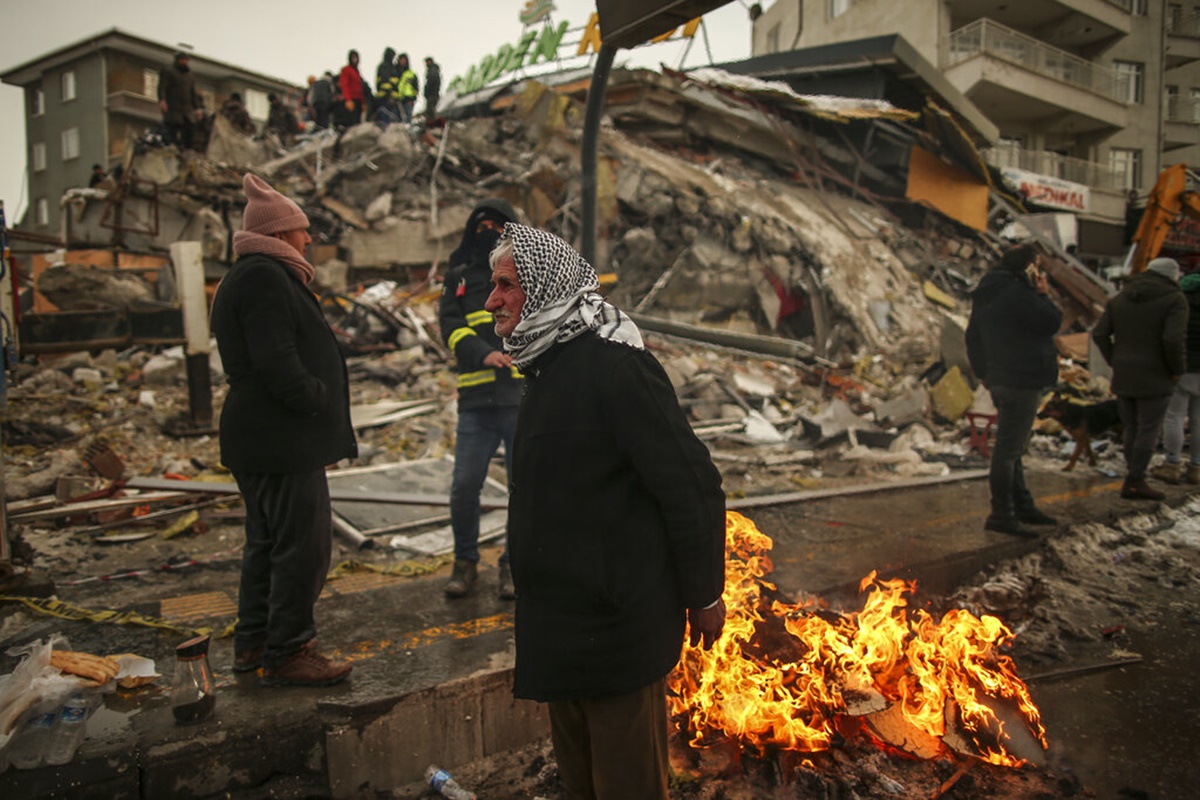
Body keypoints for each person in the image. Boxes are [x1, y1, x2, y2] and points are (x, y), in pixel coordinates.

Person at [486, 223, 726, 799]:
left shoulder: (619, 368)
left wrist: (704, 594)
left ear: (544, 290)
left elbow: (691, 485)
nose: (491, 300)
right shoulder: (543, 369)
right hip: (559, 635)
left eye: (505, 285)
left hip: (617, 634)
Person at [209, 173, 357, 687]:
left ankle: (254, 644)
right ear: (277, 235)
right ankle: (289, 650)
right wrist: (318, 401)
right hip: (279, 441)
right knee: (302, 548)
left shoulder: (255, 275)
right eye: (301, 230)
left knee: (268, 545)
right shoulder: (264, 276)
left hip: (267, 439)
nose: (309, 238)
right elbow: (276, 361)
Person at [438, 199, 521, 600]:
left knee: (523, 489)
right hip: (476, 400)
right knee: (465, 486)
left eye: (498, 225)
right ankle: (465, 562)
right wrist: (481, 353)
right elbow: (449, 326)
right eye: (482, 224)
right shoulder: (458, 276)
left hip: (520, 399)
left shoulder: (524, 274)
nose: (489, 229)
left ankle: (512, 567)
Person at [965, 243, 1062, 538]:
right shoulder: (1021, 294)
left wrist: (984, 373)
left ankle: (1022, 505)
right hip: (1022, 378)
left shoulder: (987, 292)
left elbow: (972, 336)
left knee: (1013, 446)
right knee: (1008, 450)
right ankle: (1002, 514)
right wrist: (1043, 293)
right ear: (1029, 267)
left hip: (1000, 378)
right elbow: (1051, 321)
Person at [1092, 257, 1188, 500]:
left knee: (1132, 427)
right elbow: (1173, 340)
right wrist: (1177, 368)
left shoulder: (1121, 298)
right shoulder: (1174, 299)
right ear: (1172, 276)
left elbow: (1100, 334)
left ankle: (1133, 476)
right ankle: (1135, 480)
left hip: (1124, 373)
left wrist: (1115, 359)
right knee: (1149, 427)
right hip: (1156, 373)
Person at [1154, 264, 1200, 485]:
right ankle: (1196, 468)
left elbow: (1170, 336)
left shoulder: (1178, 299)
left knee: (1175, 416)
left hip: (1182, 367)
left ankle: (1172, 464)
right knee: (1199, 420)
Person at [158, 51, 204, 149]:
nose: (184, 62)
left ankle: (187, 151)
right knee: (171, 134)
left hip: (187, 111)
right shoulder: (168, 71)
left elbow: (193, 94)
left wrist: (198, 108)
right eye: (182, 60)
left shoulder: (190, 76)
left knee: (190, 132)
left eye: (186, 60)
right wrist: (162, 100)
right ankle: (172, 149)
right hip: (173, 109)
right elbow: (162, 87)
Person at [338, 49, 365, 127]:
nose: (355, 60)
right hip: (351, 100)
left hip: (358, 100)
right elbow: (344, 85)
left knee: (358, 122)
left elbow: (360, 88)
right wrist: (348, 100)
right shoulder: (346, 70)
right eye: (353, 58)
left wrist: (362, 102)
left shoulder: (357, 72)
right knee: (351, 122)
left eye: (356, 58)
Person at [374, 47, 400, 124]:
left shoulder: (392, 67)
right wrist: (389, 93)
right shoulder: (384, 66)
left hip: (392, 97)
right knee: (385, 117)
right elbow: (384, 81)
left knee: (392, 117)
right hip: (385, 96)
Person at [395, 52, 419, 123]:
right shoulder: (395, 72)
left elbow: (416, 87)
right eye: (401, 60)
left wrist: (413, 98)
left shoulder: (411, 73)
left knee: (408, 117)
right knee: (398, 117)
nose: (403, 61)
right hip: (398, 98)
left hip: (408, 99)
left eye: (404, 60)